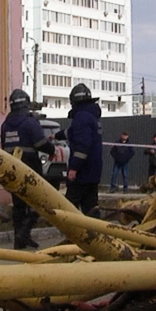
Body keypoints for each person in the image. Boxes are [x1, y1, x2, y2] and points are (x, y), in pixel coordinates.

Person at [0, 89, 54, 250]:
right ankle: (24, 232)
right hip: (30, 167)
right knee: (38, 201)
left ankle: (20, 240)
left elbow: (4, 146)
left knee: (18, 204)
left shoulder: (5, 124)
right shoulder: (30, 122)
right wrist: (51, 150)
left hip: (11, 168)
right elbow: (40, 144)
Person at [64, 83, 104, 216]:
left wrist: (74, 168)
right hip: (93, 171)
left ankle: (74, 235)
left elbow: (82, 145)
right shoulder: (92, 117)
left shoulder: (81, 117)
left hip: (82, 173)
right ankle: (96, 235)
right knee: (91, 208)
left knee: (69, 209)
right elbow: (74, 132)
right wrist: (57, 135)